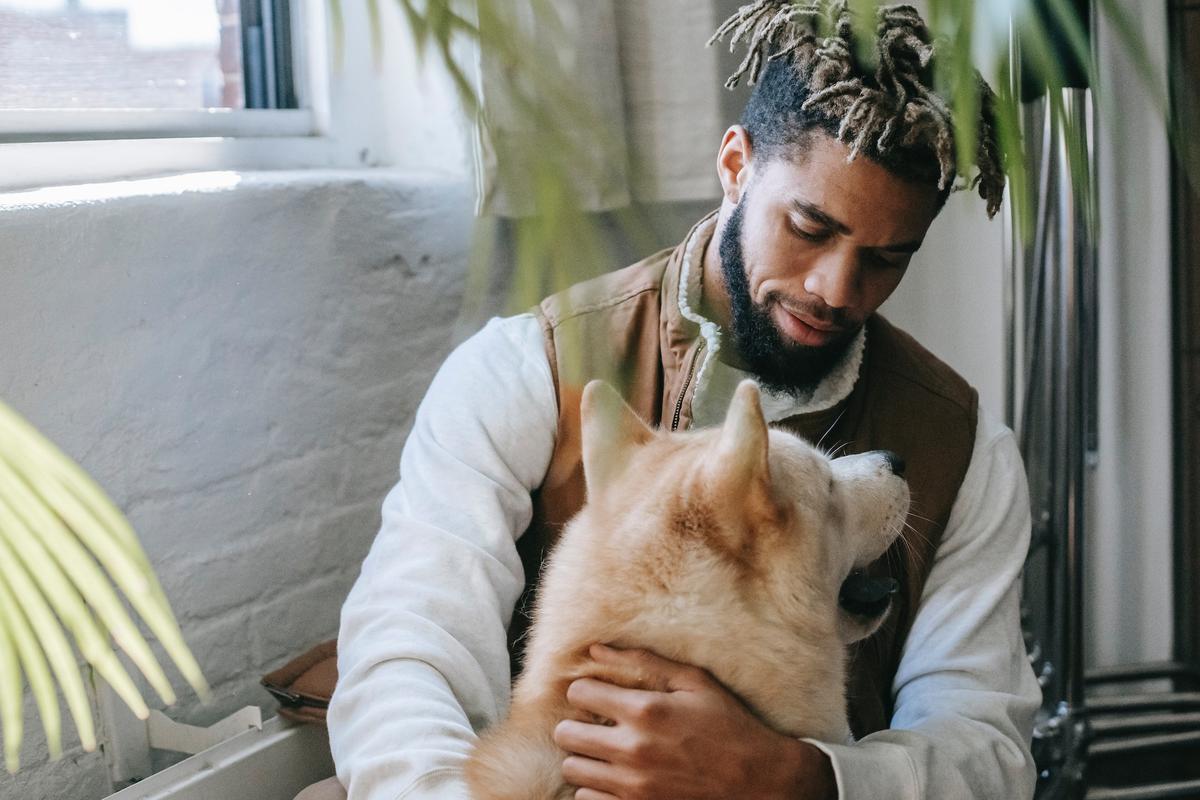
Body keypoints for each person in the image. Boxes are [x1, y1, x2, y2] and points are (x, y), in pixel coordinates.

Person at [327, 2, 1042, 798]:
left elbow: (987, 748)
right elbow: (408, 648)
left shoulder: (961, 450)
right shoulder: (525, 371)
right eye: (808, 227)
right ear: (735, 166)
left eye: (885, 258)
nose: (835, 289)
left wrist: (799, 777)